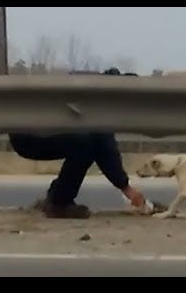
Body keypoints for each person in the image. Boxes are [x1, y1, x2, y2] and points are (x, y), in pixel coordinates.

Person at [8, 68, 147, 219]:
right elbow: (105, 146)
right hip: (29, 135)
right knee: (85, 145)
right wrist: (126, 188)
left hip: (27, 129)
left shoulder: (93, 83)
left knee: (85, 141)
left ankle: (56, 196)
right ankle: (59, 203)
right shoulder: (102, 94)